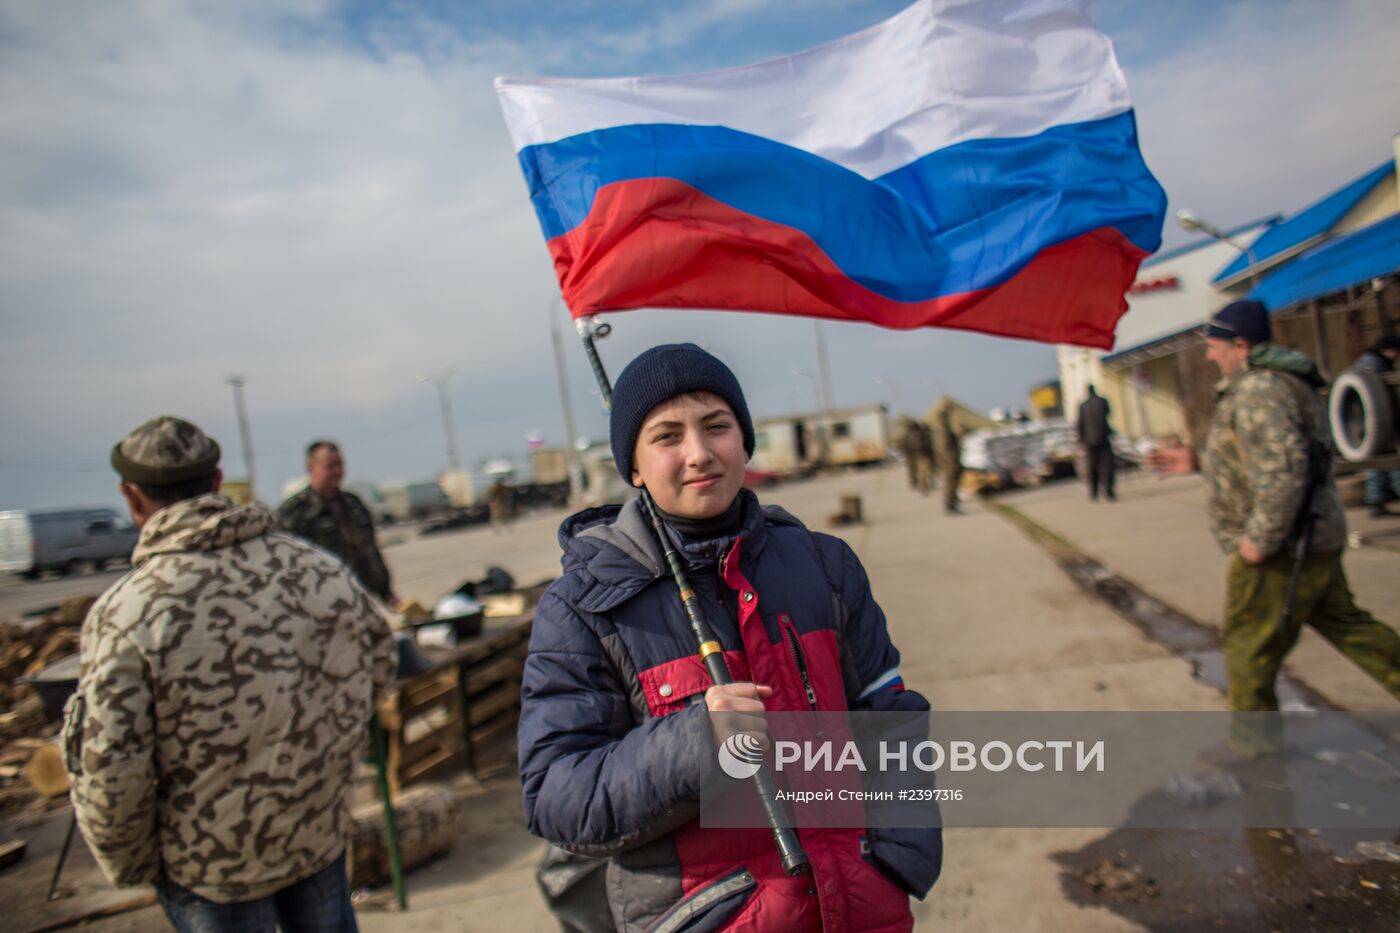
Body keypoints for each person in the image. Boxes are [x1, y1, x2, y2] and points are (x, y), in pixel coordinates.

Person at [518, 344, 940, 932]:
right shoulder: (582, 608)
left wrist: (902, 855)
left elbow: (890, 717)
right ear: (633, 467)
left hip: (864, 908)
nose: (698, 453)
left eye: (716, 426)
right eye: (667, 436)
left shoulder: (826, 565)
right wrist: (692, 745)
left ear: (744, 440)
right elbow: (556, 797)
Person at [62, 415, 396, 931]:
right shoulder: (316, 569)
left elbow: (111, 768)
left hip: (210, 865)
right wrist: (322, 775)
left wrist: (136, 865)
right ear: (216, 483)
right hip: (313, 835)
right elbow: (378, 665)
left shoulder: (128, 613)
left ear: (131, 498)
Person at [1151, 302, 1400, 737]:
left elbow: (1283, 471)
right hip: (1312, 536)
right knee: (1354, 631)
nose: (1210, 356)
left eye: (1214, 347)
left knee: (1247, 648)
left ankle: (1255, 751)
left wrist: (1259, 543)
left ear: (1241, 345)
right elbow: (1263, 455)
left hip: (1283, 548)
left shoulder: (1259, 389)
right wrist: (1198, 459)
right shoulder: (1279, 382)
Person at [278, 440, 396, 604]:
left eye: (340, 465)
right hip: (327, 602)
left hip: (367, 597)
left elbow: (371, 551)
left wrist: (386, 591)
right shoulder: (295, 511)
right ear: (310, 467)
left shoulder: (353, 503)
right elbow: (289, 566)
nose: (338, 471)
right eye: (330, 466)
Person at [1353, 335, 1400, 517]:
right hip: (1376, 419)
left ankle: (1376, 501)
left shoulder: (1368, 362)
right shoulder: (1373, 364)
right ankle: (1377, 501)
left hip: (1369, 420)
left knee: (1377, 461)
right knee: (1387, 460)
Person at [1076, 384, 1116, 501]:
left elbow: (1080, 424)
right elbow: (1108, 413)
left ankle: (1094, 492)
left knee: (1092, 467)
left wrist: (1081, 440)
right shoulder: (1102, 401)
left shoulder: (1083, 406)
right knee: (1107, 465)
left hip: (1089, 441)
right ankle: (1109, 491)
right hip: (1103, 438)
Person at [932, 400, 963, 513]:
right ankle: (950, 504)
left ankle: (952, 502)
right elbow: (945, 448)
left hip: (950, 461)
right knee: (951, 483)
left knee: (953, 483)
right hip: (950, 461)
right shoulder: (942, 432)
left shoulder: (942, 431)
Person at [897, 416, 935, 495]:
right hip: (923, 455)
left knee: (917, 471)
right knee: (924, 472)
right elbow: (926, 444)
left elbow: (904, 446)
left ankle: (920, 486)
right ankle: (923, 487)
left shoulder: (908, 435)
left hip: (913, 456)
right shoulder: (920, 434)